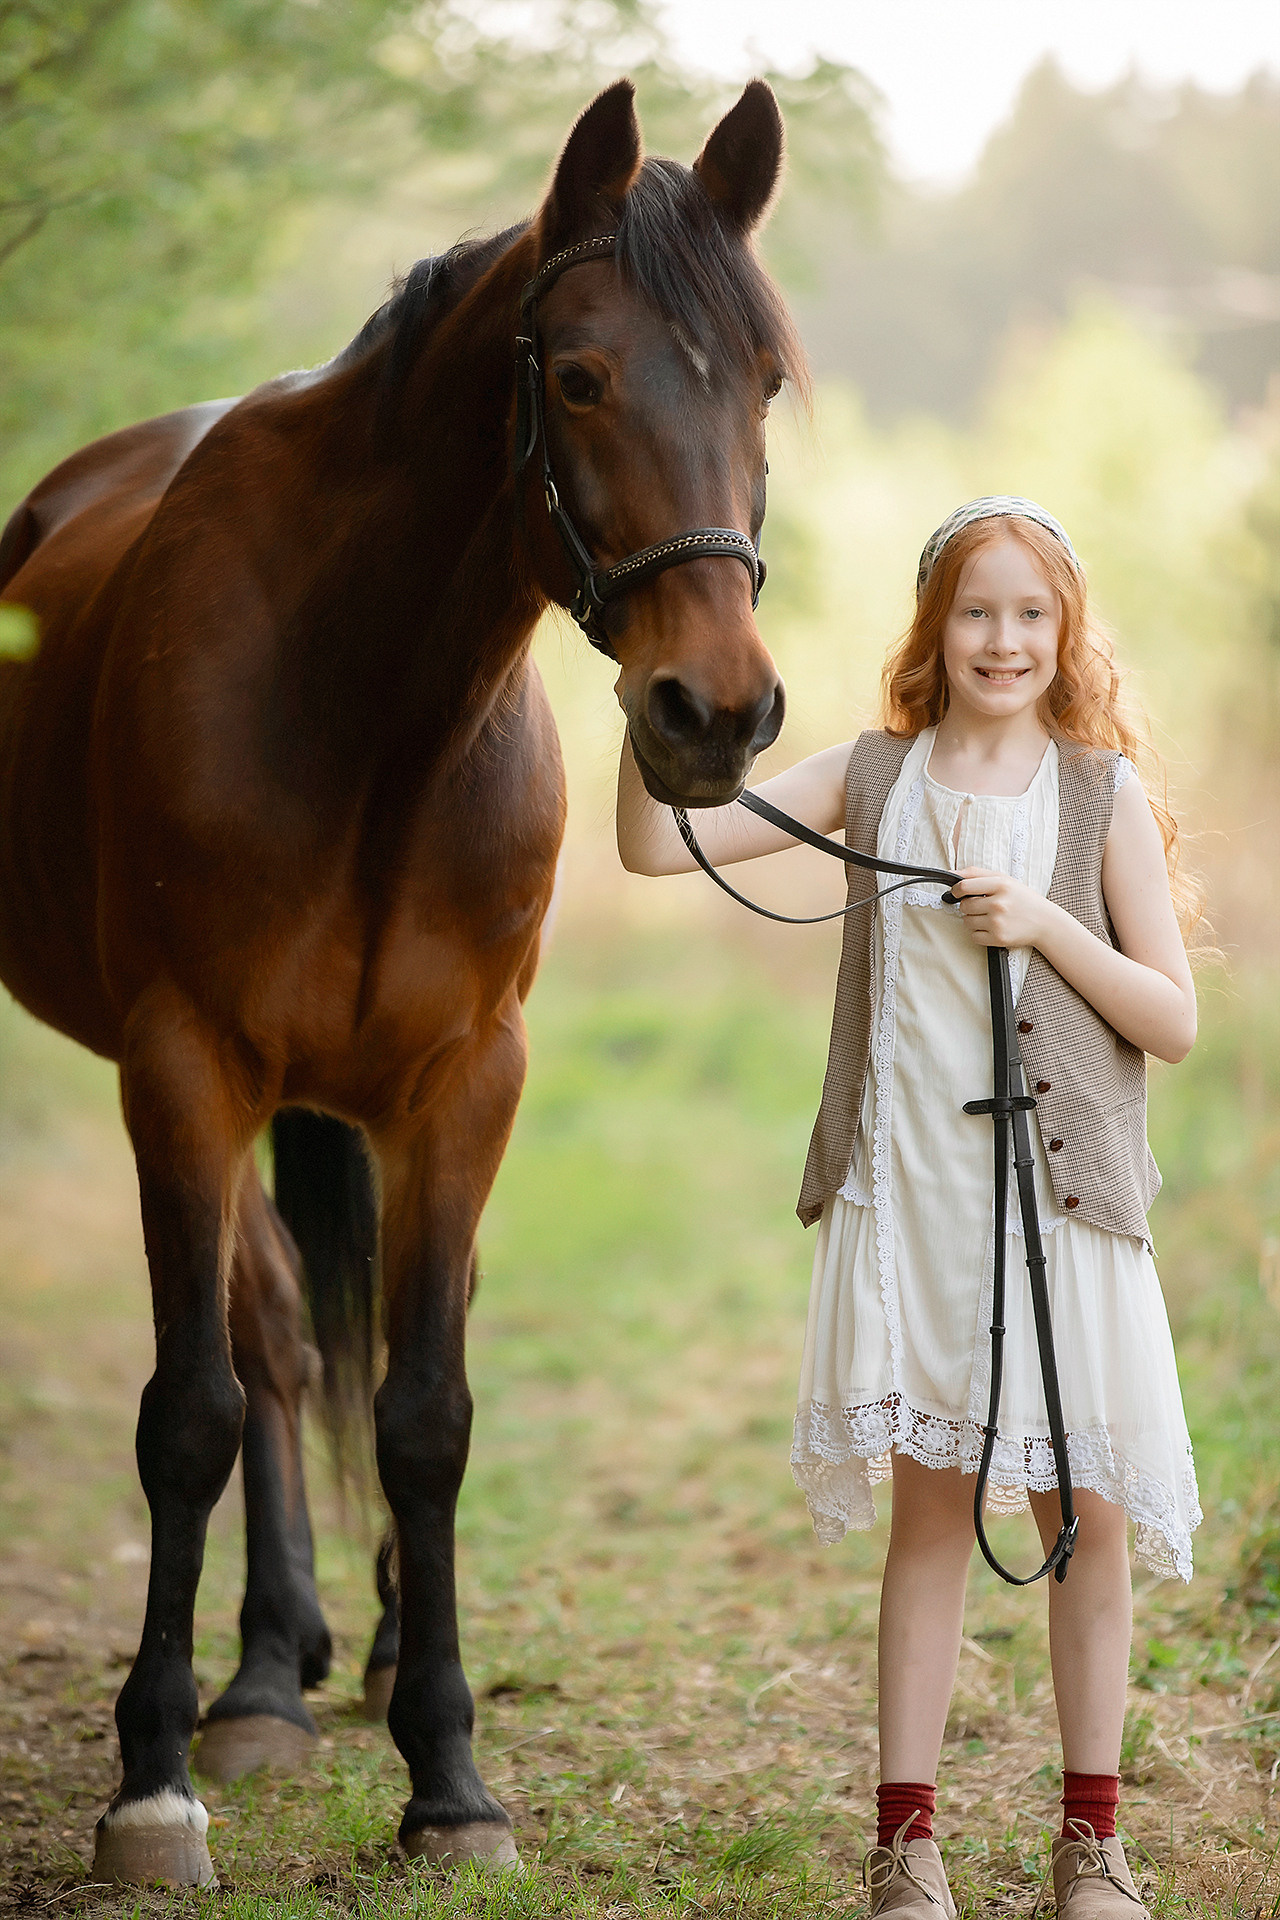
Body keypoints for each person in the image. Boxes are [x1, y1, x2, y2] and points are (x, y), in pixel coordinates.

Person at [615, 498, 1201, 1918]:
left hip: (1064, 1213)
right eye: (976, 612)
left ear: (1065, 632)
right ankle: (907, 1847)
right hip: (917, 1205)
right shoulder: (876, 776)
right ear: (935, 627)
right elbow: (654, 848)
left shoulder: (1099, 793)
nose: (1003, 639)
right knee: (929, 1521)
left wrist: (1047, 927)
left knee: (1083, 1516)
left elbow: (1173, 1019)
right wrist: (643, 694)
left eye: (1030, 614)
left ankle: (1091, 1845)